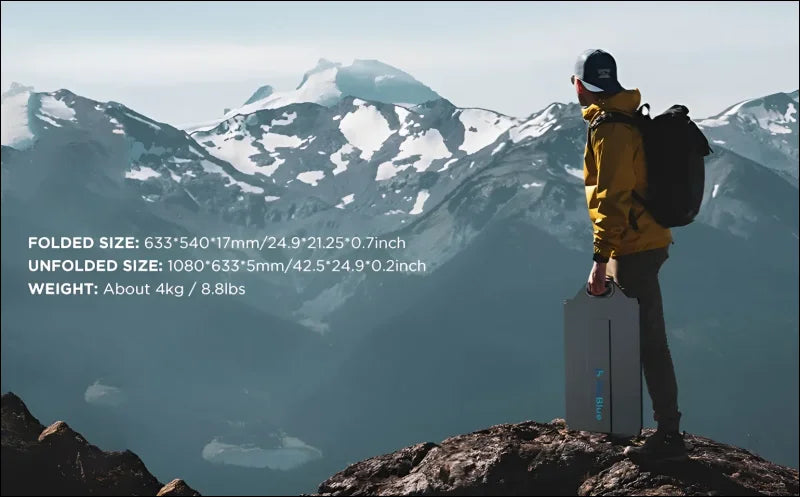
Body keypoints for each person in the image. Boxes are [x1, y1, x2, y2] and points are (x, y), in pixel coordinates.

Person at [572, 48, 687, 461]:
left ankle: (664, 432)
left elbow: (612, 197)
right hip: (646, 238)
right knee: (634, 334)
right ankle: (632, 425)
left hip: (633, 245)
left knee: (644, 339)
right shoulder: (625, 116)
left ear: (579, 85)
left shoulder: (610, 128)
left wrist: (600, 257)